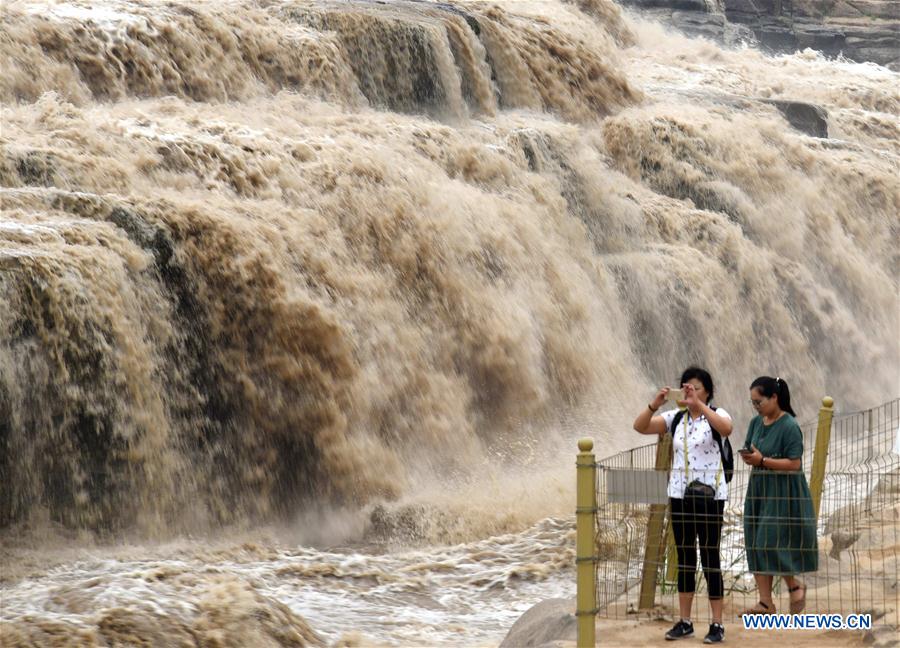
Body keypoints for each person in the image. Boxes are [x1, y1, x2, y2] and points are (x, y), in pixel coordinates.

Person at [633, 366, 733, 644]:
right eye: (686, 386)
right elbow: (640, 427)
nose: (689, 390)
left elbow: (726, 429)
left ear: (708, 391)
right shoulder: (675, 418)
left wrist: (700, 405)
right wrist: (655, 404)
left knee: (710, 557)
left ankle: (717, 624)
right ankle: (685, 621)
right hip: (679, 496)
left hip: (711, 497)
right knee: (686, 557)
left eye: (696, 387)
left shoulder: (718, 414)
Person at [740, 376, 817, 616]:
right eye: (753, 403)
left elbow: (794, 464)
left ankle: (794, 586)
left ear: (774, 397)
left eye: (759, 402)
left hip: (783, 492)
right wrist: (751, 457)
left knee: (770, 541)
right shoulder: (755, 423)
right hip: (759, 490)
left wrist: (763, 460)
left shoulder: (790, 426)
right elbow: (750, 448)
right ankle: (766, 602)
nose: (756, 407)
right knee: (756, 542)